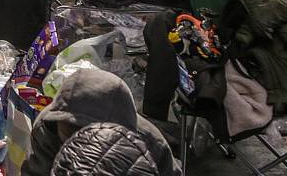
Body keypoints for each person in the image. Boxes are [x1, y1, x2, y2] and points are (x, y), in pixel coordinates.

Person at [21, 69, 178, 176]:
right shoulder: (49, 125)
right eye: (67, 132)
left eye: (80, 131)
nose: (75, 142)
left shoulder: (151, 144)